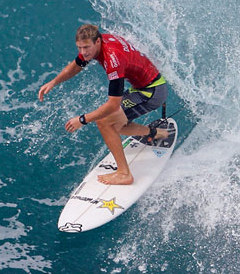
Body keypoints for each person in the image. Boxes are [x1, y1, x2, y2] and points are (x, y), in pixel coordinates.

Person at [38, 24, 170, 185]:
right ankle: (156, 133)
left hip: (152, 91)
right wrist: (54, 82)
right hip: (143, 86)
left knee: (105, 121)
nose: (83, 52)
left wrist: (82, 120)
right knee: (117, 124)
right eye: (79, 47)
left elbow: (113, 105)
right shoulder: (98, 42)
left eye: (86, 47)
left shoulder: (112, 60)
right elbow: (77, 64)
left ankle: (124, 174)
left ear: (98, 42)